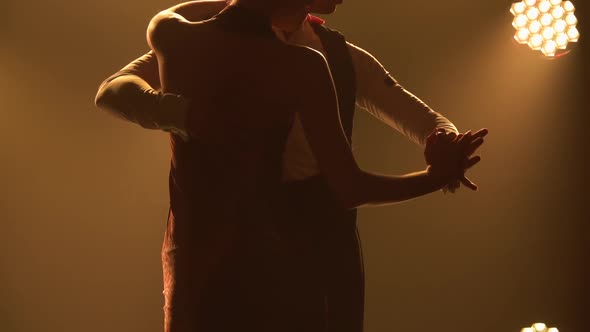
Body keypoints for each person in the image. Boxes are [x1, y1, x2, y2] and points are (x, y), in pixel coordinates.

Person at [95, 0, 487, 331]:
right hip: (245, 237)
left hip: (312, 235)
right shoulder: (290, 60)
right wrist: (181, 114)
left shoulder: (335, 56)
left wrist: (445, 140)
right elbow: (114, 89)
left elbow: (421, 117)